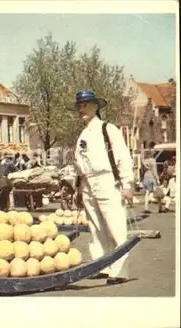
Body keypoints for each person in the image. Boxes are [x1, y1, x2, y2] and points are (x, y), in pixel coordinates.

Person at [72, 90, 135, 285]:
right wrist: (79, 188)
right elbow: (79, 164)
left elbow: (122, 157)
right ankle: (102, 265)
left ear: (96, 106)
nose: (82, 109)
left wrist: (127, 184)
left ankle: (119, 271)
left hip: (107, 179)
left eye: (85, 104)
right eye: (79, 106)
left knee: (115, 224)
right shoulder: (82, 134)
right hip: (87, 182)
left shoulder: (108, 129)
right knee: (96, 226)